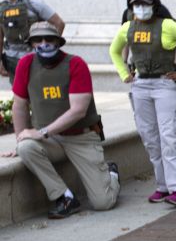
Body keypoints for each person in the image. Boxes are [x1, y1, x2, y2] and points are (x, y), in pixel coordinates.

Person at [0, 22, 118, 219]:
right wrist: (21, 137)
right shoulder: (25, 64)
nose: (44, 44)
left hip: (82, 138)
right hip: (51, 141)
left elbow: (78, 111)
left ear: (58, 41)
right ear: (32, 44)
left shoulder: (76, 64)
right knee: (26, 147)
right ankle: (64, 197)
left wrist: (42, 132)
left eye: (49, 39)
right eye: (38, 40)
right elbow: (19, 105)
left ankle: (112, 173)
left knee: (103, 203)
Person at [108, 0, 176, 208]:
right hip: (141, 85)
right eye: (135, 4)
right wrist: (124, 73)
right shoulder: (127, 27)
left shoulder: (168, 26)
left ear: (153, 3)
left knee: (169, 137)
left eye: (144, 3)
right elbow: (113, 51)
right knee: (150, 138)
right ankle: (162, 186)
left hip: (165, 86)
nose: (140, 8)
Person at [0, 0, 65, 84]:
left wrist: (50, 48)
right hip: (11, 58)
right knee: (19, 93)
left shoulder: (33, 3)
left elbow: (59, 23)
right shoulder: (1, 9)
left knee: (37, 89)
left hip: (33, 56)